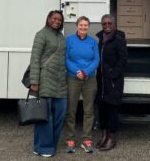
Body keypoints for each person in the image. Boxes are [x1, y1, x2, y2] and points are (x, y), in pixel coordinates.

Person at [29, 10, 67, 157]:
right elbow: (35, 58)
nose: (57, 21)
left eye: (59, 20)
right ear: (49, 19)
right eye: (54, 18)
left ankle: (50, 145)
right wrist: (34, 81)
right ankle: (42, 148)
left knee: (59, 115)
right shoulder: (41, 34)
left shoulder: (61, 37)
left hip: (61, 82)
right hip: (45, 80)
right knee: (45, 116)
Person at [65, 16, 99, 154]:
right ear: (76, 26)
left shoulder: (93, 42)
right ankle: (70, 139)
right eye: (81, 25)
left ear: (88, 27)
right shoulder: (69, 40)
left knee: (88, 110)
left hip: (89, 79)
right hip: (73, 78)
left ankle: (87, 140)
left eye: (86, 25)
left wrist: (86, 72)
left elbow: (97, 59)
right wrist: (76, 71)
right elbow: (66, 58)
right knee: (71, 110)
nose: (83, 27)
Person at [96, 14, 127, 151]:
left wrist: (113, 74)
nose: (107, 26)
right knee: (102, 109)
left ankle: (112, 138)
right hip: (101, 81)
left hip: (113, 81)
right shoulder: (100, 39)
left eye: (109, 23)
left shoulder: (119, 39)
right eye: (104, 24)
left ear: (114, 24)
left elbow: (123, 60)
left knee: (112, 110)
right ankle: (104, 135)